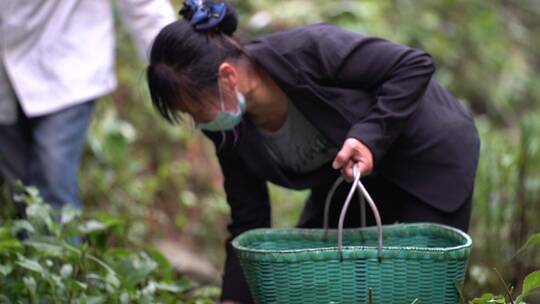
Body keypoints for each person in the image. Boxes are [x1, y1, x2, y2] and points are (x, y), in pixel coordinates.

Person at [146, 1, 480, 303]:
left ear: (228, 76)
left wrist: (368, 136)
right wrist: (233, 298)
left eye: (195, 108)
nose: (198, 120)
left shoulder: (306, 51)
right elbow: (249, 219)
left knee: (414, 287)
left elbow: (412, 65)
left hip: (425, 157)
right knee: (314, 280)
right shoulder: (227, 129)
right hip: (349, 181)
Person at [0, 1, 175, 211]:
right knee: (19, 192)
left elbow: (144, 4)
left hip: (69, 64)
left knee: (53, 176)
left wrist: (174, 63)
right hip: (5, 74)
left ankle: (63, 243)